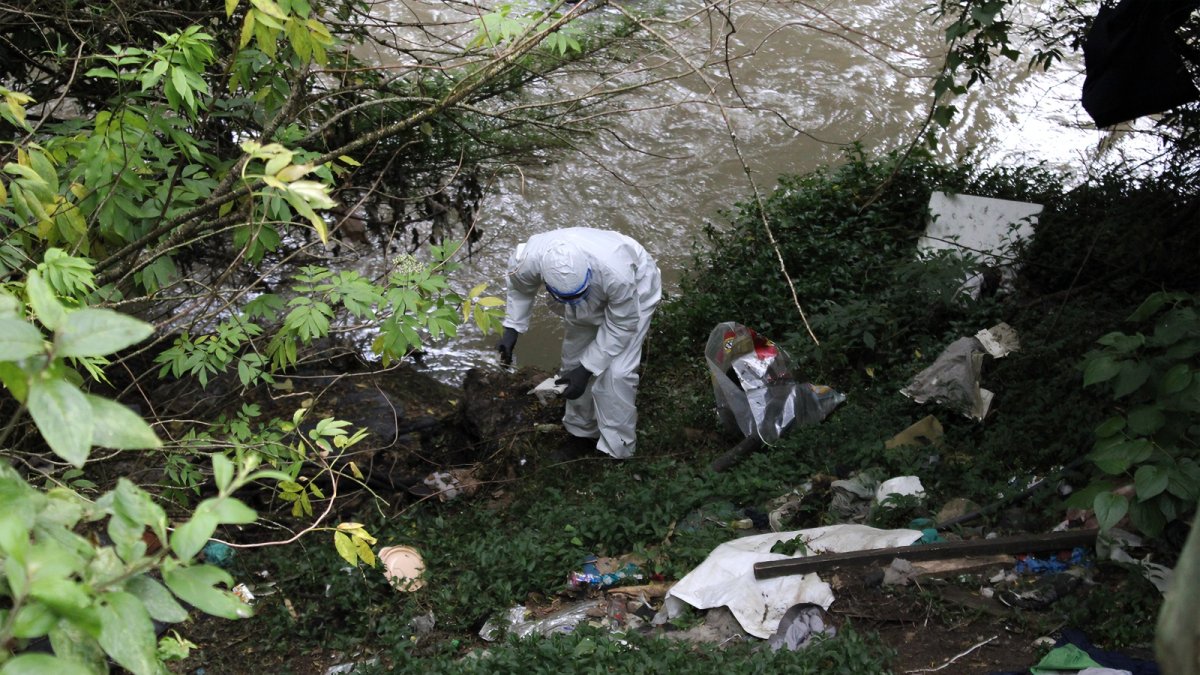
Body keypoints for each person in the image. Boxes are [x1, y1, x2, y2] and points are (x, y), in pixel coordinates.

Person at [496, 227, 662, 459]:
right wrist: (512, 328)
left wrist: (587, 370)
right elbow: (520, 288)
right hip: (596, 290)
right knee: (573, 364)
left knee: (617, 374)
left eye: (579, 295)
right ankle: (581, 434)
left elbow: (621, 325)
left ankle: (617, 450)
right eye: (568, 298)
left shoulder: (619, 276)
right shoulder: (528, 260)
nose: (576, 302)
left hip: (635, 289)